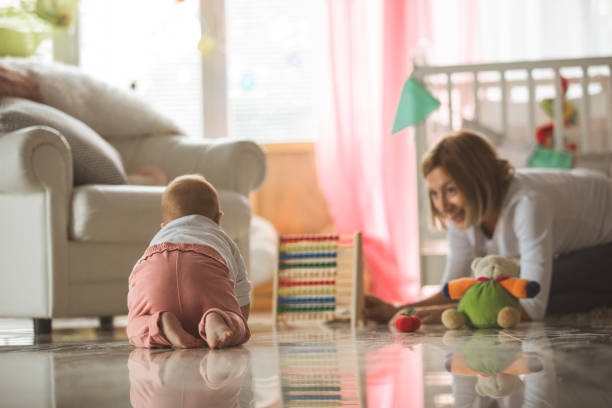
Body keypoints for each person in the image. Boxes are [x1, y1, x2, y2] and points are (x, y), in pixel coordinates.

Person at [365, 130, 612, 325]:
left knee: (523, 287)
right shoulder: (463, 214)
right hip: (578, 247)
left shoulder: (528, 204)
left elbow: (532, 307)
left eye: (451, 190)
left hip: (606, 243)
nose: (442, 206)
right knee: (508, 288)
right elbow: (454, 288)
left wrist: (446, 314)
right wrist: (398, 309)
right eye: (434, 193)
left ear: (478, 181)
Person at [127, 174, 251, 349]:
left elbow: (135, 284)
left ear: (165, 225)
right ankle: (216, 319)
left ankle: (160, 324)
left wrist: (141, 311)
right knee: (235, 322)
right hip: (205, 264)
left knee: (134, 326)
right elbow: (242, 293)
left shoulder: (160, 237)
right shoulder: (222, 238)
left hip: (155, 267)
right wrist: (235, 318)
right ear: (217, 219)